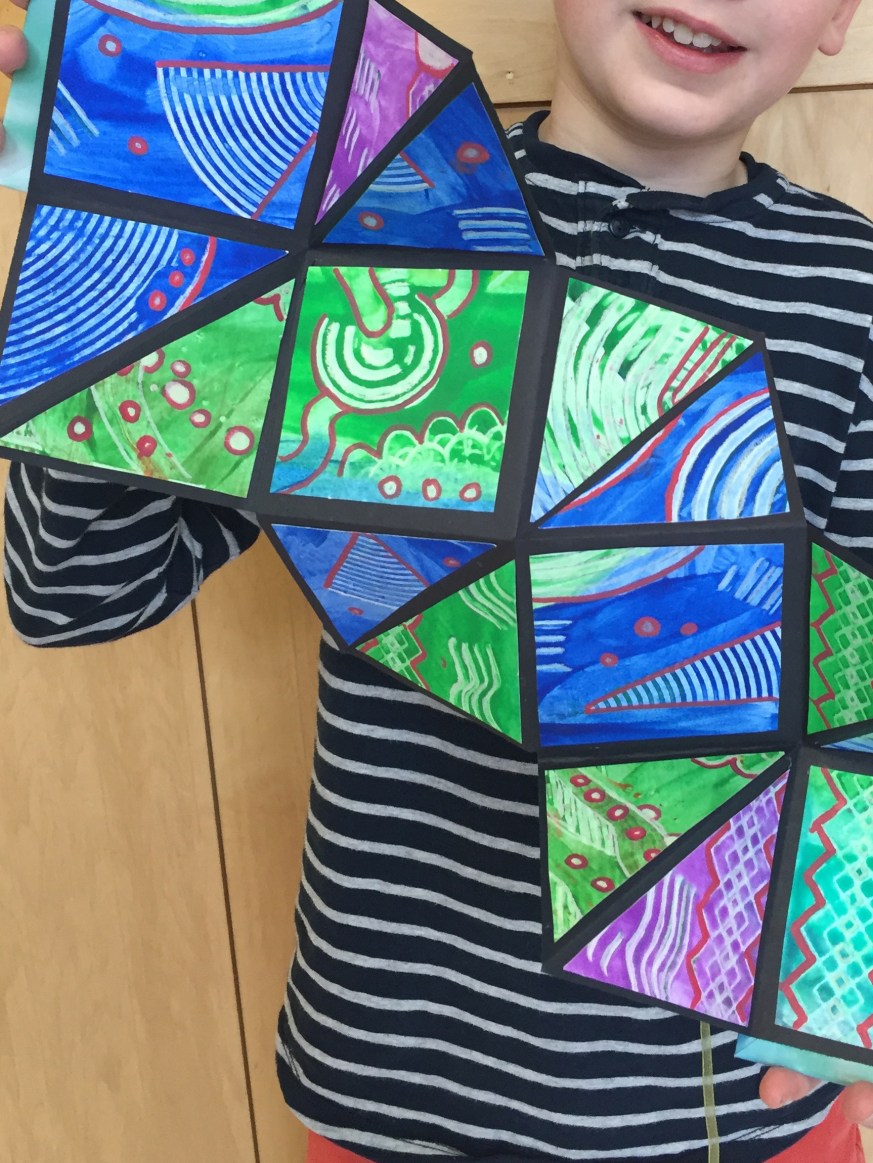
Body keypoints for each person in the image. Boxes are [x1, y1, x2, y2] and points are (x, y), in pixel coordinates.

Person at [2, 1, 873, 1159]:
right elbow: (75, 588)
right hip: (387, 1086)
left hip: (723, 1112)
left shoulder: (853, 299)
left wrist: (851, 962)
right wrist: (110, 222)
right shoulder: (369, 218)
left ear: (841, 15)